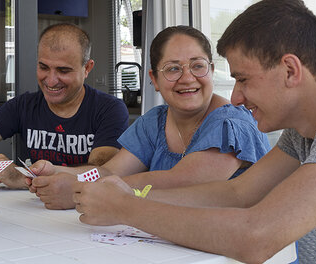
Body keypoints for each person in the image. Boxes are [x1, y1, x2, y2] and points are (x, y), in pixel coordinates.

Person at [72, 0, 316, 264]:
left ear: (290, 70)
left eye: (243, 80)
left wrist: (125, 208)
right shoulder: (303, 130)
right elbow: (237, 194)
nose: (236, 98)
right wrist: (129, 196)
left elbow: (257, 236)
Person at [29, 26, 270, 209]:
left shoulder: (232, 124)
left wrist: (77, 189)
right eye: (173, 69)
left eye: (197, 66)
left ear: (212, 71)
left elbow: (181, 182)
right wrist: (59, 172)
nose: (187, 78)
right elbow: (109, 172)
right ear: (154, 80)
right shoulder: (154, 122)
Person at [0, 23, 129, 189]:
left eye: (63, 70)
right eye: (43, 67)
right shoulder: (24, 105)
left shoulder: (109, 109)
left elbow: (100, 174)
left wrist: (22, 175)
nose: (51, 80)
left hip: (83, 211)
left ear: (87, 68)